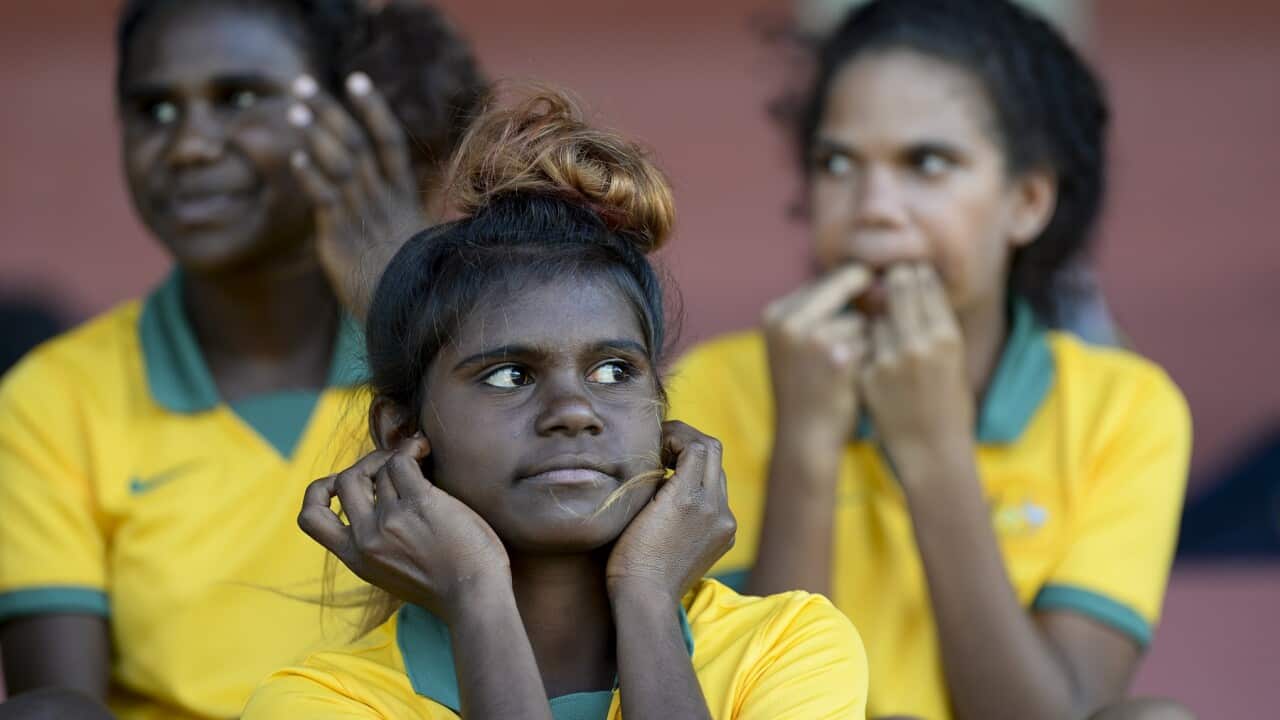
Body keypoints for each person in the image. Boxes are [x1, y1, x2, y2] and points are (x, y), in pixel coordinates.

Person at [241, 89, 869, 720]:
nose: (574, 410)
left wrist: (648, 596)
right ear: (402, 431)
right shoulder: (318, 702)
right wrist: (476, 595)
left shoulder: (786, 645)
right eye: (511, 375)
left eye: (613, 370)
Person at [667, 1, 1192, 718]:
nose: (875, 208)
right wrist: (808, 441)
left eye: (928, 163)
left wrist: (933, 448)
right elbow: (749, 701)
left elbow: (1056, 713)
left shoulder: (1124, 407)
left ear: (1028, 201)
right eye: (838, 162)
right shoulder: (716, 385)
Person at [0, 1, 485, 717]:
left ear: (348, 121)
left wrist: (406, 306)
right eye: (154, 110)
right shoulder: (53, 397)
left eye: (240, 98)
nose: (189, 145)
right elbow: (58, 698)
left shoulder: (453, 356)